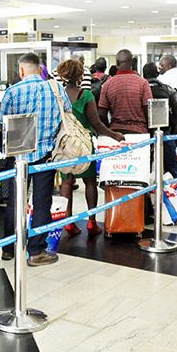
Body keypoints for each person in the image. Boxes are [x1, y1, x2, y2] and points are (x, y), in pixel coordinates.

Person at [0, 53, 70, 266]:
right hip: (46, 155)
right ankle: (36, 251)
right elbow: (67, 112)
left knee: (15, 201)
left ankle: (8, 249)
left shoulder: (13, 92)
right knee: (42, 202)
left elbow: (3, 120)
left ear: (21, 71)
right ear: (40, 70)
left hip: (19, 156)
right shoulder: (56, 88)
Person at [57, 59, 124, 237]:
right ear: (80, 75)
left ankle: (68, 222)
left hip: (65, 145)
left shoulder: (58, 95)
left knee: (67, 182)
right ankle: (91, 222)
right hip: (84, 145)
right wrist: (115, 135)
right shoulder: (86, 96)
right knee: (90, 182)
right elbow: (97, 124)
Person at [98, 49, 153, 135]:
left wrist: (109, 131)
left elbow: (101, 113)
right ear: (132, 63)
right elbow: (149, 111)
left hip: (115, 131)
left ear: (117, 63)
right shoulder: (143, 83)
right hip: (139, 133)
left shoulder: (107, 85)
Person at [143, 63, 177, 178]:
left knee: (144, 167)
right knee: (173, 168)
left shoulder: (139, 89)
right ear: (157, 73)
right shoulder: (168, 89)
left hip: (144, 133)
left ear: (143, 74)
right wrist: (172, 131)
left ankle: (145, 195)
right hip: (164, 132)